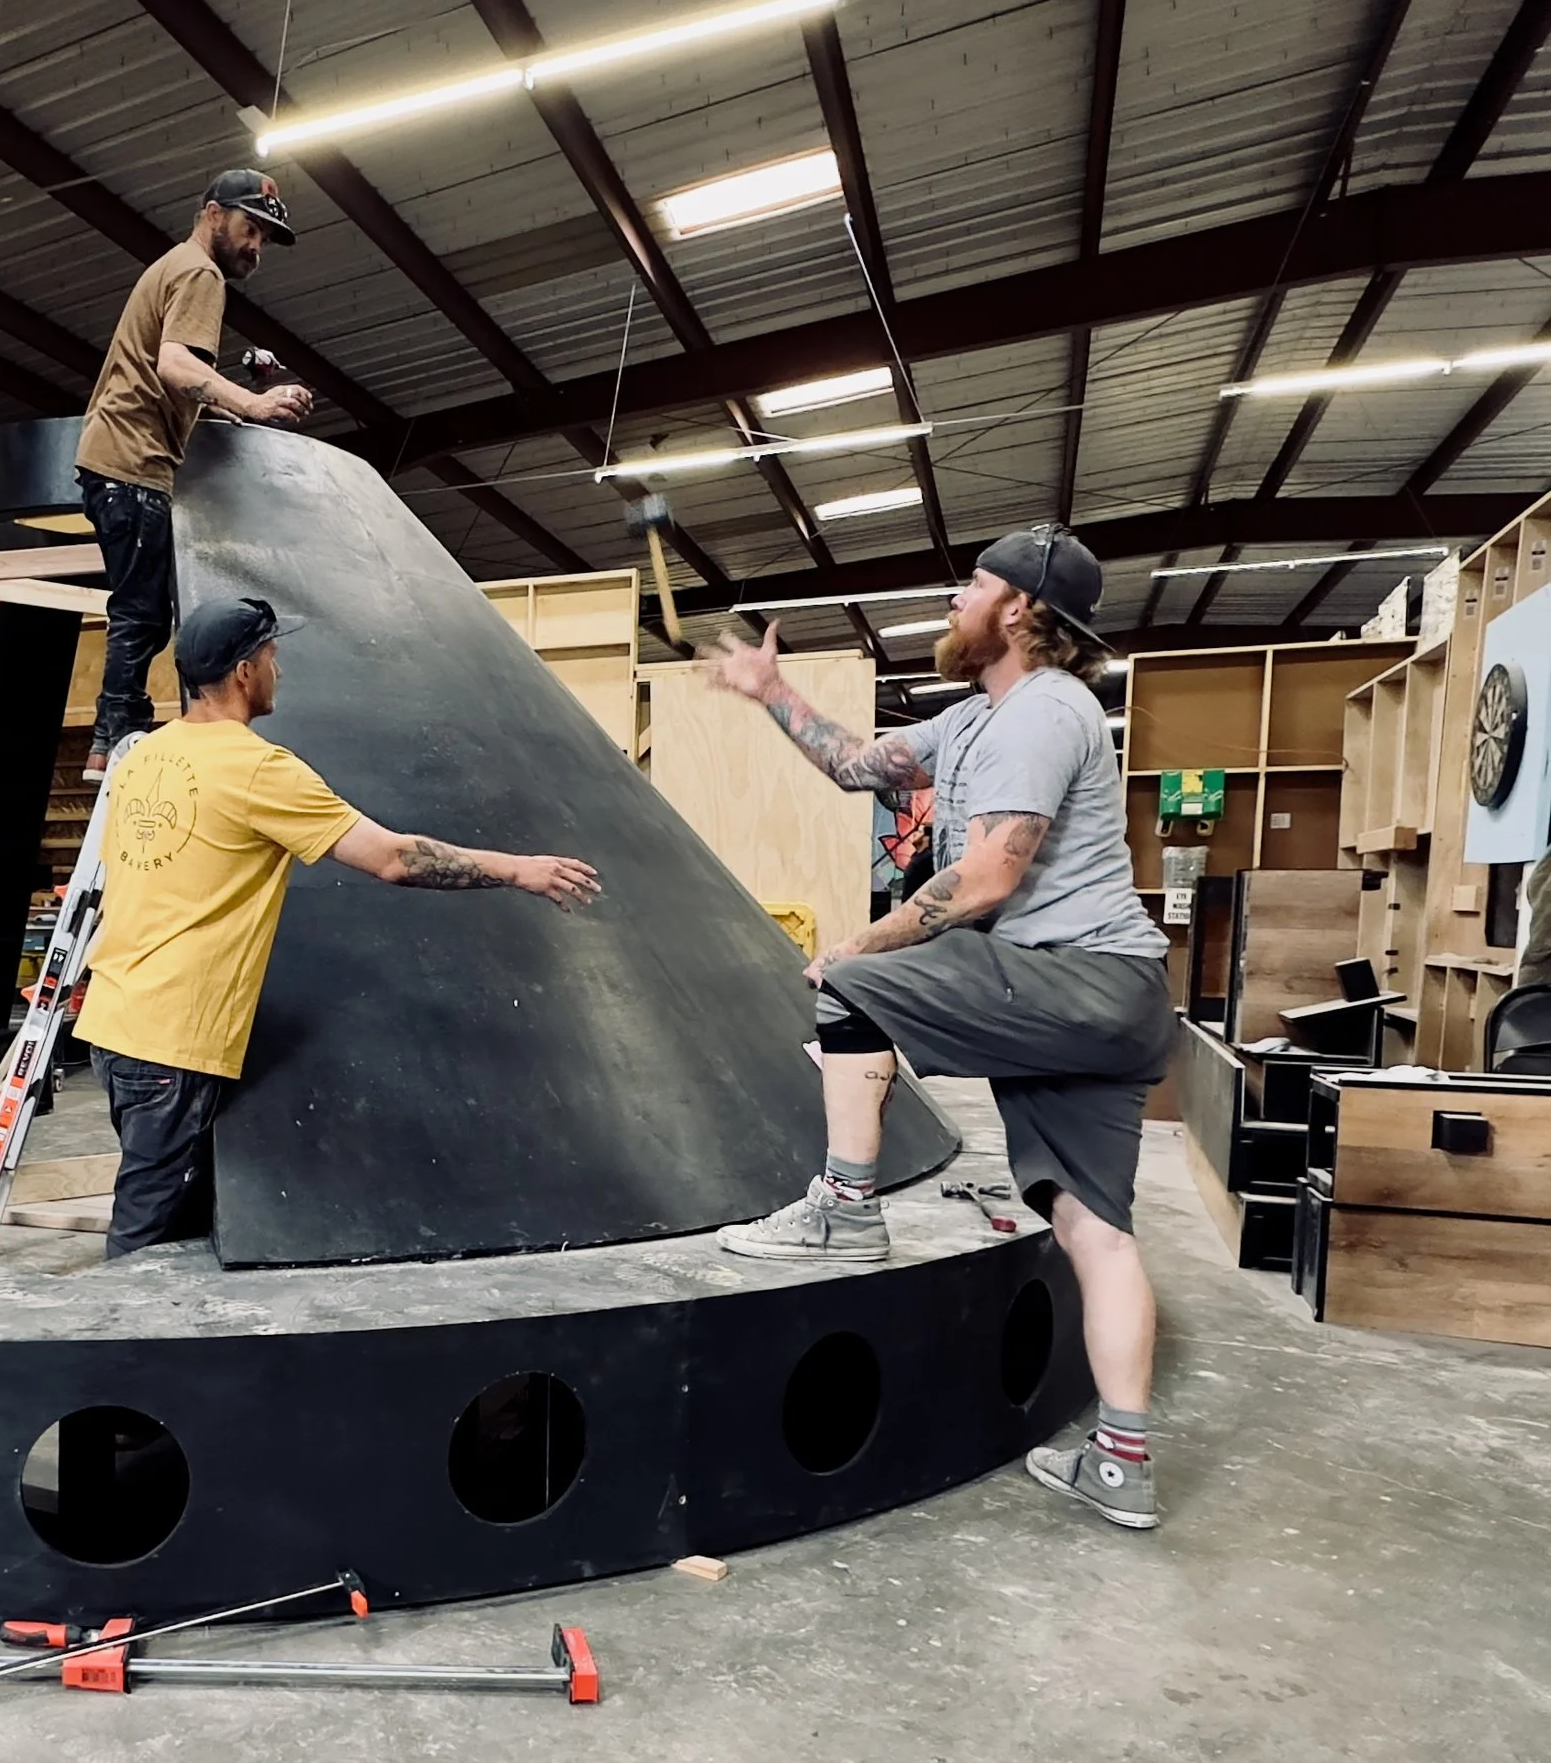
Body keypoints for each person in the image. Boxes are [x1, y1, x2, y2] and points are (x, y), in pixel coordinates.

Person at [702, 525, 1176, 1531]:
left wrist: (862, 947)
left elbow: (992, 873)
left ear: (1016, 609)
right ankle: (1123, 1463)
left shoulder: (1046, 712)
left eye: (971, 584)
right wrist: (771, 693)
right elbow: (853, 766)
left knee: (849, 989)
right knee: (1093, 1228)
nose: (952, 601)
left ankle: (845, 1206)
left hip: (1073, 976)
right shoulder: (972, 719)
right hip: (1109, 996)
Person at [73, 595, 600, 1259]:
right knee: (143, 1248)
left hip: (115, 1021)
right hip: (172, 1043)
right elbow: (395, 858)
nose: (279, 671)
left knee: (170, 1224)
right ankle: (123, 1356)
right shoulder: (257, 768)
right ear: (243, 672)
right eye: (272, 657)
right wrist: (517, 868)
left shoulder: (145, 757)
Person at [74, 171, 316, 784]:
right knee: (143, 612)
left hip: (119, 456)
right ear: (213, 215)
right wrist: (254, 405)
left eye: (263, 236)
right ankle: (119, 735)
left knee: (142, 607)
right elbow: (176, 363)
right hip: (131, 460)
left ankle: (112, 735)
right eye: (249, 228)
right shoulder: (201, 273)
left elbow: (169, 380)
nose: (255, 246)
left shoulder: (173, 268)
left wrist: (229, 401)